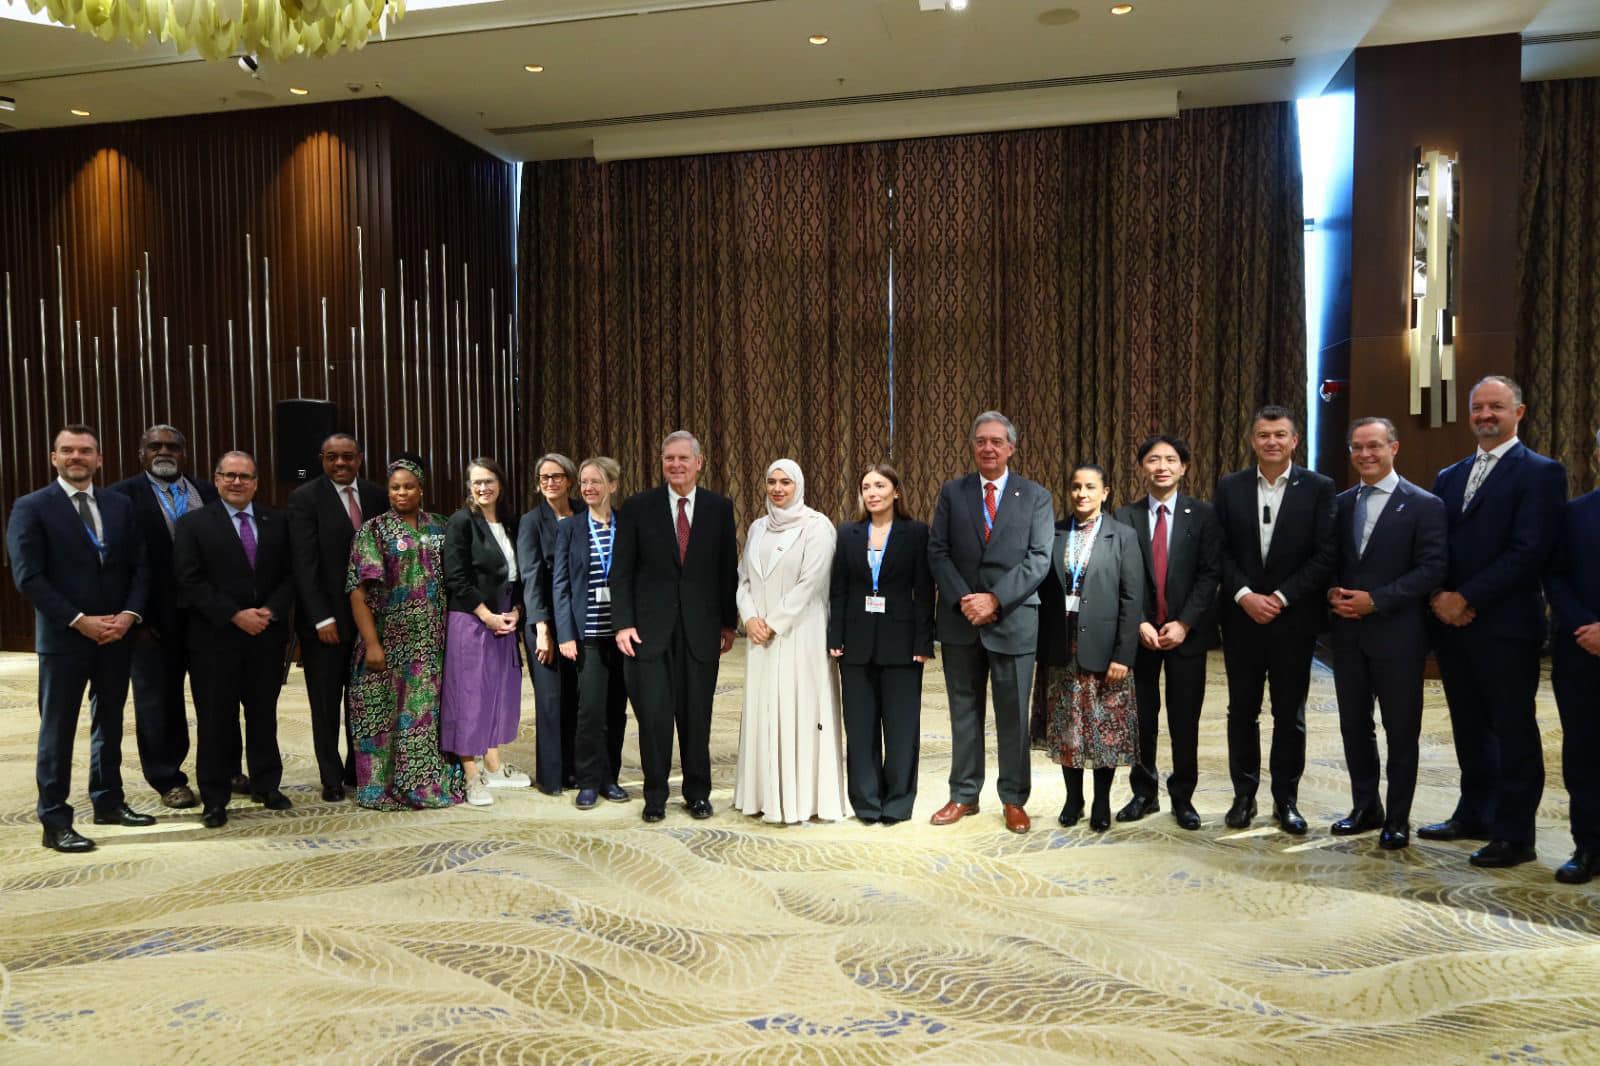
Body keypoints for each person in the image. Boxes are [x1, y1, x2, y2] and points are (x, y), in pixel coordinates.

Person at [1424, 375, 1566, 868]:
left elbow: (1530, 550)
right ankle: (1474, 813)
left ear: (1518, 413)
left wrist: (1466, 597)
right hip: (1453, 626)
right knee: (1468, 725)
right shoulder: (1450, 475)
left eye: (1496, 407)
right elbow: (1437, 545)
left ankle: (1514, 834)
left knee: (1513, 729)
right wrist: (1439, 597)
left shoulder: (1542, 473)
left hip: (1507, 626)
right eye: (1478, 407)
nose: (1485, 415)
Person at [7, 424, 154, 853]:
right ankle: (55, 821)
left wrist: (128, 616)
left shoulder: (119, 505)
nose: (77, 457)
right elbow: (28, 577)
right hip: (64, 640)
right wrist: (78, 620)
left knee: (110, 723)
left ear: (99, 459)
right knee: (58, 730)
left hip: (115, 636)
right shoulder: (31, 507)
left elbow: (140, 566)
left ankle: (108, 801)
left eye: (85, 450)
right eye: (68, 450)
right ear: (54, 458)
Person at [927, 411, 1054, 834]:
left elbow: (1039, 559)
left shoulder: (1035, 496)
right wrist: (967, 600)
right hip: (961, 621)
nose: (988, 448)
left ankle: (1014, 799)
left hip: (1013, 621)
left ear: (1011, 448)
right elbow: (938, 551)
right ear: (972, 446)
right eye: (981, 440)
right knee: (964, 713)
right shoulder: (953, 492)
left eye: (997, 441)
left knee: (1013, 717)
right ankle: (964, 794)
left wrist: (995, 599)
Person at [1213, 404, 1336, 834]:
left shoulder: (1319, 488)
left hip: (1293, 620)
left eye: (1280, 434)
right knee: (1242, 712)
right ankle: (1243, 797)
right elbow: (1219, 550)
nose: (1272, 442)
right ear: (1252, 441)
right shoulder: (1230, 486)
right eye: (1264, 435)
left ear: (1294, 440)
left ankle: (1286, 800)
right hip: (1242, 618)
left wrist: (1281, 598)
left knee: (1289, 715)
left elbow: (1325, 555)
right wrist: (1245, 595)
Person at [1326, 417, 1447, 850]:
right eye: (1357, 447)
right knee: (1354, 726)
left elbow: (1432, 569)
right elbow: (1328, 560)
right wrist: (1331, 591)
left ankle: (1397, 818)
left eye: (1374, 446)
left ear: (1393, 448)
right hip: (1348, 637)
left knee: (1401, 731)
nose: (1366, 454)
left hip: (1398, 636)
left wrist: (1376, 600)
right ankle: (1365, 807)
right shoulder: (1339, 504)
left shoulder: (1424, 504)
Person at [611, 430, 739, 823]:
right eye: (670, 458)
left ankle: (698, 793)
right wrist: (623, 623)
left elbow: (726, 569)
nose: (676, 465)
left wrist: (727, 623)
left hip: (701, 630)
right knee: (653, 717)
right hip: (648, 632)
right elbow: (621, 570)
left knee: (697, 716)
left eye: (684, 458)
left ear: (699, 463)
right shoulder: (637, 507)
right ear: (662, 463)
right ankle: (655, 796)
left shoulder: (719, 507)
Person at [173, 451, 296, 829]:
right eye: (229, 475)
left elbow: (291, 575)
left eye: (244, 476)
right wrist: (234, 614)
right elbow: (189, 580)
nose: (236, 482)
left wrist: (270, 611)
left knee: (263, 714)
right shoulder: (193, 524)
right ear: (216, 480)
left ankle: (266, 784)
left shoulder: (277, 521)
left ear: (256, 483)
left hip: (266, 636)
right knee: (215, 720)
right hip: (214, 638)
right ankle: (214, 797)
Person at [109, 424, 223, 810]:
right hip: (151, 624)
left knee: (218, 699)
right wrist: (135, 618)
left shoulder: (209, 493)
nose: (164, 452)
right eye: (155, 446)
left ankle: (223, 769)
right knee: (158, 705)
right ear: (141, 453)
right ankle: (167, 778)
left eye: (172, 446)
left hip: (207, 619)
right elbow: (118, 565)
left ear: (184, 453)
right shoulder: (121, 497)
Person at [1111, 434, 1221, 831]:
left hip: (1185, 635)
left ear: (1184, 467)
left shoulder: (1203, 515)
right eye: (1154, 460)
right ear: (1142, 467)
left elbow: (1210, 574)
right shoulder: (1124, 516)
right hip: (1140, 635)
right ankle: (1144, 792)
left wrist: (1185, 622)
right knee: (1141, 719)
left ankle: (1183, 796)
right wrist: (1139, 620)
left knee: (1184, 720)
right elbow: (1120, 574)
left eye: (1171, 460)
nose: (1162, 467)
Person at [345, 458, 466, 811]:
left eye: (409, 486)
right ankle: (383, 785)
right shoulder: (373, 531)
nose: (401, 492)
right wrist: (372, 643)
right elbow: (357, 591)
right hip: (389, 641)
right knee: (385, 716)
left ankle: (424, 782)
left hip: (434, 643)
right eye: (395, 487)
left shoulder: (441, 526)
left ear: (421, 489)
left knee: (426, 715)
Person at [734, 459, 848, 824]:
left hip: (802, 633)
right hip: (759, 637)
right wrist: (750, 617)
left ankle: (805, 800)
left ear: (798, 486)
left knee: (801, 707)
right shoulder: (757, 527)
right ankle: (763, 796)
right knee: (765, 708)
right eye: (772, 481)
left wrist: (772, 622)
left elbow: (812, 582)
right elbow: (743, 579)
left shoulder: (817, 527)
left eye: (786, 482)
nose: (778, 488)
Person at [1032, 463, 1143, 832]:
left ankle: (1101, 801)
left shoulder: (1122, 536)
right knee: (1068, 728)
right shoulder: (1053, 532)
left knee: (1103, 729)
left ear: (1105, 492)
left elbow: (1131, 599)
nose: (1082, 493)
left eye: (1090, 487)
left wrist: (1123, 655)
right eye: (1076, 486)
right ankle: (1073, 799)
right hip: (1061, 645)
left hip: (1104, 648)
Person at [829, 464, 935, 826]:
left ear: (896, 491)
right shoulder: (848, 534)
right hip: (855, 645)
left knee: (902, 729)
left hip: (903, 644)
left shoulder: (916, 533)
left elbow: (924, 591)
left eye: (879, 485)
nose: (872, 493)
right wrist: (835, 636)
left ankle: (898, 801)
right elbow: (839, 589)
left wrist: (923, 640)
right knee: (860, 729)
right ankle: (867, 801)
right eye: (866, 487)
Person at [288, 433, 387, 802]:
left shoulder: (377, 496)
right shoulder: (304, 498)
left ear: (359, 458)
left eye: (348, 456)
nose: (341, 463)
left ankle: (355, 770)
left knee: (362, 702)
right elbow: (304, 565)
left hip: (370, 624)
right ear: (322, 459)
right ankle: (330, 777)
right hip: (326, 625)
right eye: (333, 457)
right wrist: (320, 619)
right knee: (326, 705)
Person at [441, 457, 528, 806]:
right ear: (469, 487)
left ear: (500, 484)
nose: (482, 488)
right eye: (476, 482)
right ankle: (470, 775)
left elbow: (520, 574)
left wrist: (517, 611)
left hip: (504, 617)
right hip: (472, 619)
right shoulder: (461, 522)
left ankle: (492, 765)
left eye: (489, 481)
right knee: (469, 697)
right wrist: (487, 615)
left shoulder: (511, 522)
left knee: (497, 693)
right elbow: (456, 578)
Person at [552, 457, 632, 810]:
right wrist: (566, 634)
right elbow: (560, 585)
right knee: (590, 712)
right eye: (584, 482)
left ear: (612, 485)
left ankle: (609, 778)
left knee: (617, 710)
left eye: (596, 481)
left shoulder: (628, 525)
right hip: (588, 636)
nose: (588, 488)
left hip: (623, 635)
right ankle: (587, 781)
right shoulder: (570, 528)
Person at [1545, 428, 1600, 884]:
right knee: (1583, 750)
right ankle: (1588, 846)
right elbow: (1555, 577)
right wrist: (1586, 626)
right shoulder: (1573, 513)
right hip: (1580, 649)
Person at [518, 452, 581, 794]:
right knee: (551, 699)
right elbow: (530, 577)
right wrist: (542, 629)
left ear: (569, 480)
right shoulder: (531, 521)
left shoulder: (584, 513)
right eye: (544, 478)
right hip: (545, 622)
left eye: (557, 476)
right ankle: (552, 776)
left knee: (577, 698)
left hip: (581, 620)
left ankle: (576, 770)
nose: (551, 482)